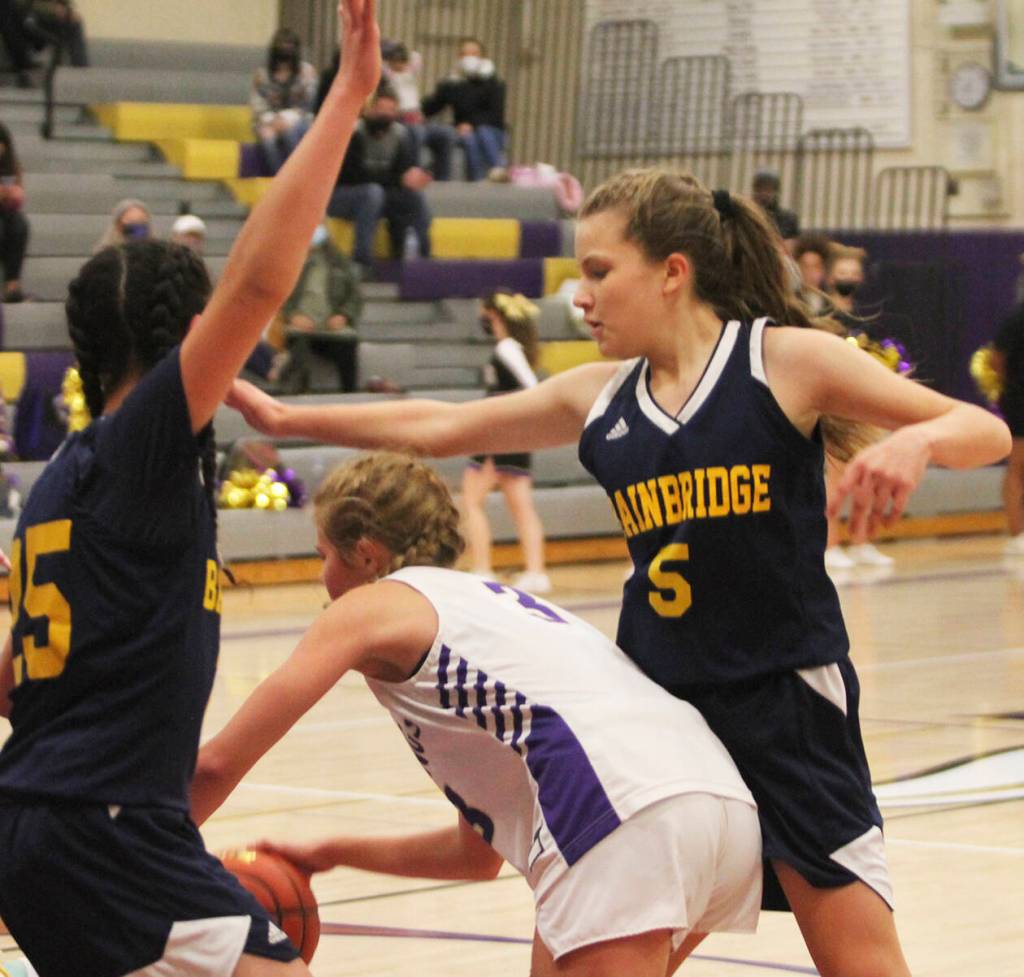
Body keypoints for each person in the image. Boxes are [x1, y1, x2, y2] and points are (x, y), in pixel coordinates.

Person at [227, 166, 1012, 977]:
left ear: (672, 272)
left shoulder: (783, 362)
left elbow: (982, 429)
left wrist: (917, 441)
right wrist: (287, 418)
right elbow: (442, 426)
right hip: (659, 723)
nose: (581, 296)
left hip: (786, 708)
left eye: (599, 271)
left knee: (864, 964)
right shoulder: (601, 396)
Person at [0, 2, 381, 976]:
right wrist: (345, 98)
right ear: (184, 340)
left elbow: (13, 679)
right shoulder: (144, 443)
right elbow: (256, 286)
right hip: (107, 828)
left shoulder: (63, 482)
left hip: (46, 823)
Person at [191, 451, 762, 977]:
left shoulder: (373, 606)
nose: (323, 577)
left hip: (617, 813)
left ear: (365, 553)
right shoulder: (484, 607)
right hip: (717, 803)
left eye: (323, 557)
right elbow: (475, 857)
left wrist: (150, 850)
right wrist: (330, 853)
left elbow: (217, 764)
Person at [463, 289, 551, 592]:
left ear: (496, 315)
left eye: (485, 314)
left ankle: (482, 567)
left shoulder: (507, 348)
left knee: (471, 501)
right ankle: (536, 571)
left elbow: (532, 387)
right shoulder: (512, 348)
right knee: (520, 505)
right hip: (511, 434)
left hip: (499, 434)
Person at [819, 243, 894, 569]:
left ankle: (862, 541)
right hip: (837, 408)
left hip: (865, 406)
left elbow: (881, 354)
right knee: (835, 481)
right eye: (842, 273)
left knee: (867, 479)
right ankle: (830, 544)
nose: (848, 278)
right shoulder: (822, 318)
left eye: (853, 273)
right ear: (829, 277)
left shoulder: (866, 318)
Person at [327, 84, 432, 273]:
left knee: (413, 198)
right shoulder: (353, 133)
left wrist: (415, 177)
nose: (385, 115)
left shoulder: (401, 135)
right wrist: (398, 179)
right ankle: (362, 262)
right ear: (368, 109)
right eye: (380, 109)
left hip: (380, 194)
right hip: (340, 196)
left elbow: (403, 173)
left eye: (390, 110)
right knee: (372, 193)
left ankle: (420, 262)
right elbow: (352, 176)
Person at [276, 223, 364, 394]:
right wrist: (292, 316)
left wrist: (344, 316)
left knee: (347, 344)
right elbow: (279, 296)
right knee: (299, 345)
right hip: (300, 327)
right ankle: (298, 392)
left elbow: (355, 297)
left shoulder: (339, 263)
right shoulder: (290, 262)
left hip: (330, 328)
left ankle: (350, 395)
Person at [421, 37, 507, 182]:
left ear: (482, 57)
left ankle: (497, 168)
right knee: (470, 139)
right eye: (464, 54)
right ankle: (477, 178)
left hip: (491, 129)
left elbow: (495, 114)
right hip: (463, 130)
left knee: (483, 132)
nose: (469, 58)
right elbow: (433, 107)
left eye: (474, 54)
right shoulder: (454, 83)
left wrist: (471, 124)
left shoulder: (495, 83)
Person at [382, 41, 456, 180]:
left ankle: (443, 178)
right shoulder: (387, 77)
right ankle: (413, 173)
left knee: (446, 134)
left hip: (417, 118)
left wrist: (400, 48)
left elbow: (416, 57)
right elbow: (382, 66)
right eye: (395, 61)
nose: (399, 65)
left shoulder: (409, 74)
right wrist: (387, 52)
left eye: (402, 61)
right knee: (416, 134)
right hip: (400, 120)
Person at [250, 27, 317, 175]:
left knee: (288, 132)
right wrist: (271, 120)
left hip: (299, 119)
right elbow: (258, 104)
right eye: (281, 44)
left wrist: (286, 118)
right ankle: (279, 178)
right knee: (267, 138)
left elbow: (308, 104)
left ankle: (298, 175)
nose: (285, 48)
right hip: (268, 121)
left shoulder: (307, 72)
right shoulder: (261, 75)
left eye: (289, 44)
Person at [990, 298, 1024, 554]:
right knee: (1019, 464)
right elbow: (996, 359)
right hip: (1020, 397)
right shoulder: (1018, 318)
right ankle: (1018, 534)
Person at [0, 122, 30, 303]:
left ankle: (12, 283)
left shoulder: (12, 166)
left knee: (19, 224)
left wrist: (14, 194)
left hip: (6, 211)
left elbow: (19, 198)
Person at [24, 0, 88, 67]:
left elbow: (65, 5)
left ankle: (79, 66)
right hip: (34, 18)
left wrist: (67, 10)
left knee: (74, 22)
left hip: (52, 17)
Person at [751, 170, 799, 253]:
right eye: (759, 189)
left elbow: (789, 247)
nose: (763, 194)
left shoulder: (787, 218)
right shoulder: (747, 216)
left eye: (768, 190)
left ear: (776, 192)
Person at [793, 232, 831, 316]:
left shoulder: (832, 304)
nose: (809, 273)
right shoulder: (791, 303)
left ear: (823, 270)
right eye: (805, 267)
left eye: (816, 267)